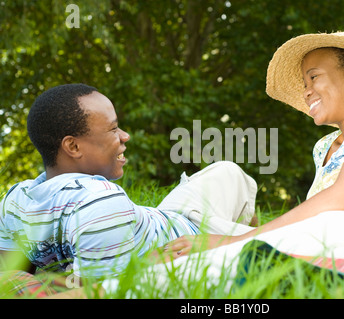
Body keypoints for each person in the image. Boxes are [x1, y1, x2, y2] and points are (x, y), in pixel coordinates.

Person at [164, 32, 344, 280]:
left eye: (314, 76)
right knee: (198, 236)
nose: (306, 91)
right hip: (332, 237)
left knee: (228, 251)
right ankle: (160, 239)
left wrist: (231, 241)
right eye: (305, 82)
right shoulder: (323, 148)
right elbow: (315, 219)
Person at [0, 84, 257, 279]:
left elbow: (12, 276)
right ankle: (239, 230)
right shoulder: (99, 201)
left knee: (227, 171)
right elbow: (98, 291)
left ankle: (248, 220)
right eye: (113, 129)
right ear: (73, 146)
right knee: (276, 228)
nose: (125, 136)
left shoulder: (14, 201)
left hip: (168, 216)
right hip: (198, 234)